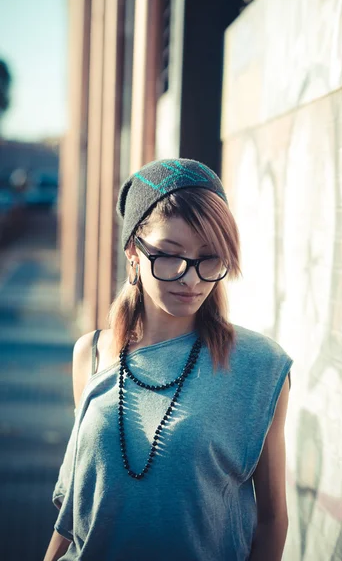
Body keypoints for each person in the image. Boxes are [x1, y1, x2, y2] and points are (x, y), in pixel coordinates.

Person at [44, 158, 293, 561]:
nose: (191, 278)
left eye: (209, 257)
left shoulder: (260, 367)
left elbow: (272, 519)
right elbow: (78, 511)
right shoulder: (90, 354)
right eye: (169, 255)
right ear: (133, 253)